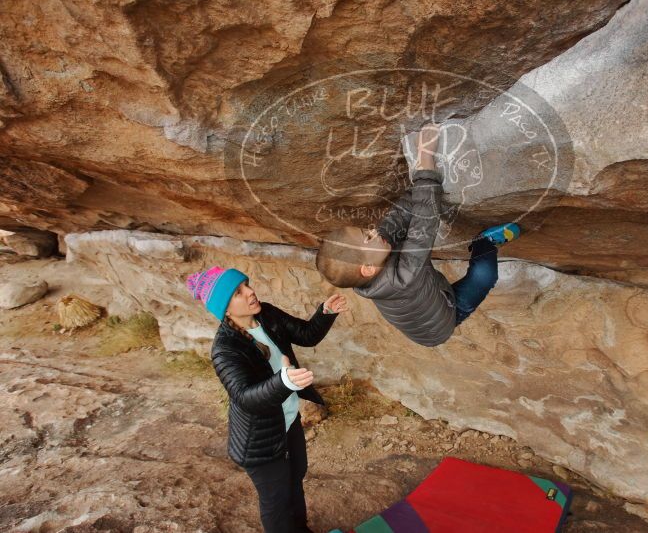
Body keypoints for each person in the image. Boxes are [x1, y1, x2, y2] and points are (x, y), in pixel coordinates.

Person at [315, 123, 519, 347]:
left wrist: (418, 187)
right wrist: (425, 159)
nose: (373, 231)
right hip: (447, 318)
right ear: (368, 268)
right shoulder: (405, 276)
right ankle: (485, 242)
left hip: (427, 310)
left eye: (367, 231)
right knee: (484, 277)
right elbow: (425, 220)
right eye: (367, 236)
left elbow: (398, 217)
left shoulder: (366, 267)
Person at [185, 266, 347, 533]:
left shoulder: (266, 313)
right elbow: (246, 398)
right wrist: (283, 380)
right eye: (238, 292)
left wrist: (325, 313)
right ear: (225, 309)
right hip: (258, 439)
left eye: (247, 285)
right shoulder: (225, 350)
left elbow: (306, 334)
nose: (250, 292)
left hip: (288, 420)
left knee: (295, 478)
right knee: (276, 499)